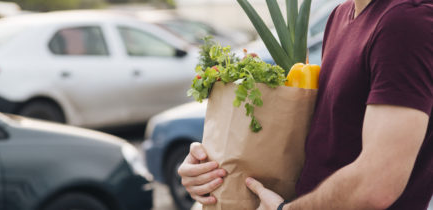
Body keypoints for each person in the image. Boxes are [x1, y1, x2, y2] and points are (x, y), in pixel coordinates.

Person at [178, 0, 433, 209]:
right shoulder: (341, 15)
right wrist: (212, 169)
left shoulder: (406, 22)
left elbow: (378, 183)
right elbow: (328, 137)